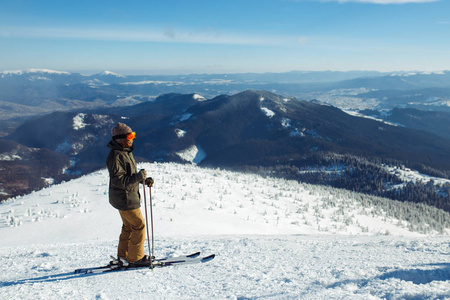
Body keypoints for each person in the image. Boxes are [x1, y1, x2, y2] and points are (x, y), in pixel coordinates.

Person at [106, 122, 154, 266]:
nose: (132, 138)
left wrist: (143, 180)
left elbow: (129, 176)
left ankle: (124, 256)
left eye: (133, 135)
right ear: (121, 138)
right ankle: (136, 258)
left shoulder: (124, 153)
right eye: (129, 136)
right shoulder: (116, 156)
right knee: (139, 225)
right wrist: (138, 177)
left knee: (128, 226)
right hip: (125, 198)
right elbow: (118, 181)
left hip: (124, 197)